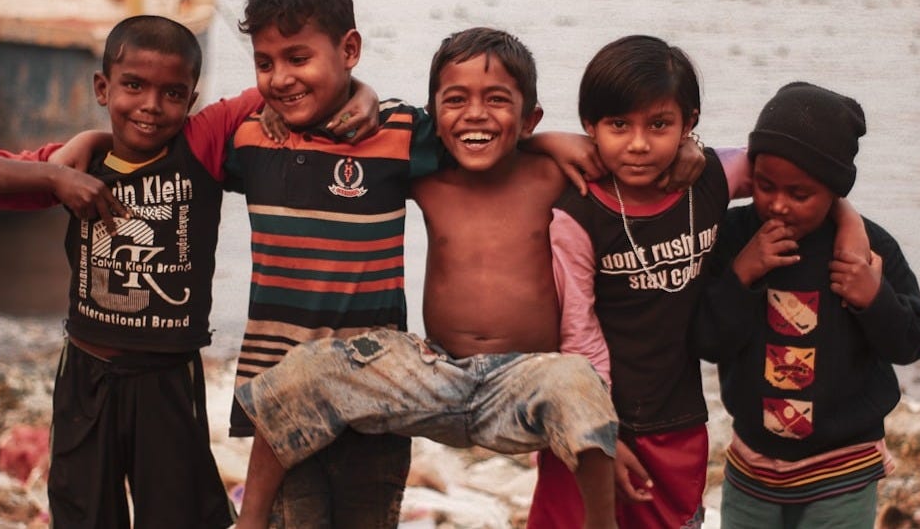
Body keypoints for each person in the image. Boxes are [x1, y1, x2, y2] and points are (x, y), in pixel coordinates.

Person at [235, 27, 631, 529]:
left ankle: (603, 524)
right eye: (456, 100)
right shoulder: (425, 177)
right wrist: (354, 94)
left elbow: (642, 165)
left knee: (578, 380)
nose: (475, 114)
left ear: (530, 118)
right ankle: (248, 520)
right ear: (434, 120)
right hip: (435, 371)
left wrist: (689, 154)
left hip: (525, 378)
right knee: (303, 370)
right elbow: (353, 125)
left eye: (497, 100)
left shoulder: (552, 175)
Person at [0, 16, 260, 529]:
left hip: (168, 381)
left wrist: (361, 90)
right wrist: (55, 175)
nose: (151, 106)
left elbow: (277, 89)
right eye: (133, 86)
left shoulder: (201, 145)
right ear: (102, 88)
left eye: (173, 93)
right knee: (84, 516)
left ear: (193, 99)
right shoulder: (75, 168)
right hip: (86, 380)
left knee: (183, 518)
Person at [527, 37, 869, 528]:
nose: (640, 144)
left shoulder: (709, 179)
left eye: (660, 125)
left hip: (677, 419)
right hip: (591, 417)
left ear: (689, 121)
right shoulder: (578, 211)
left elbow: (803, 168)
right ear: (589, 126)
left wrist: (848, 218)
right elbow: (578, 333)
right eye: (618, 125)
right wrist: (598, 434)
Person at [692, 82, 920, 528]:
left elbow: (913, 341)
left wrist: (873, 298)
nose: (778, 205)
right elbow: (708, 341)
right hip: (753, 467)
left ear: (833, 193)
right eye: (764, 186)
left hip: (843, 469)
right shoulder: (733, 237)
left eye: (799, 194)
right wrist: (742, 274)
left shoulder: (867, 250)